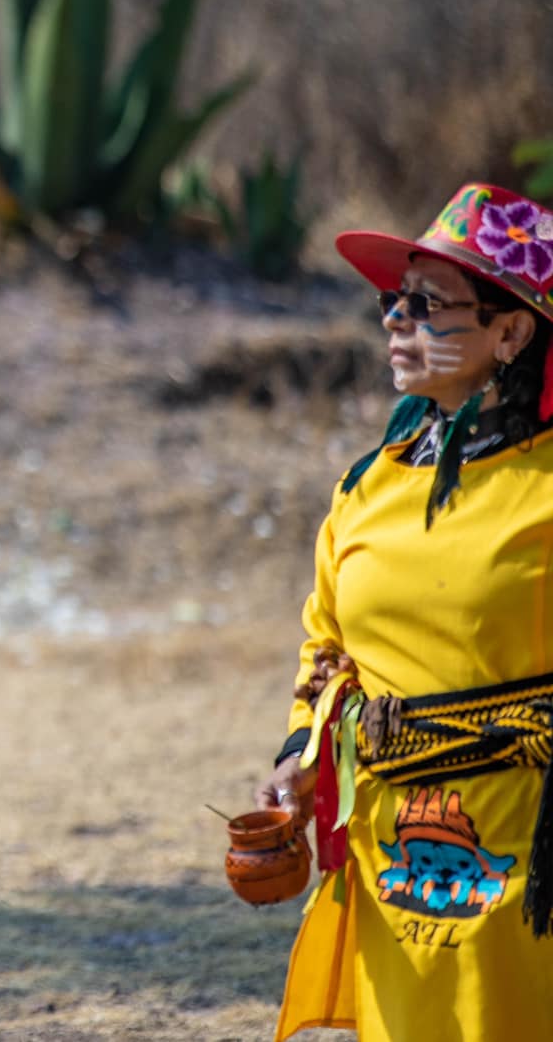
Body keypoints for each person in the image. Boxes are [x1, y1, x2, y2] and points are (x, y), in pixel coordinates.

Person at [256, 182, 553, 1040]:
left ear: (511, 331)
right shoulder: (369, 484)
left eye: (428, 304)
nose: (396, 319)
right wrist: (297, 759)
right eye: (395, 299)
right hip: (395, 850)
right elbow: (327, 650)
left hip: (531, 849)